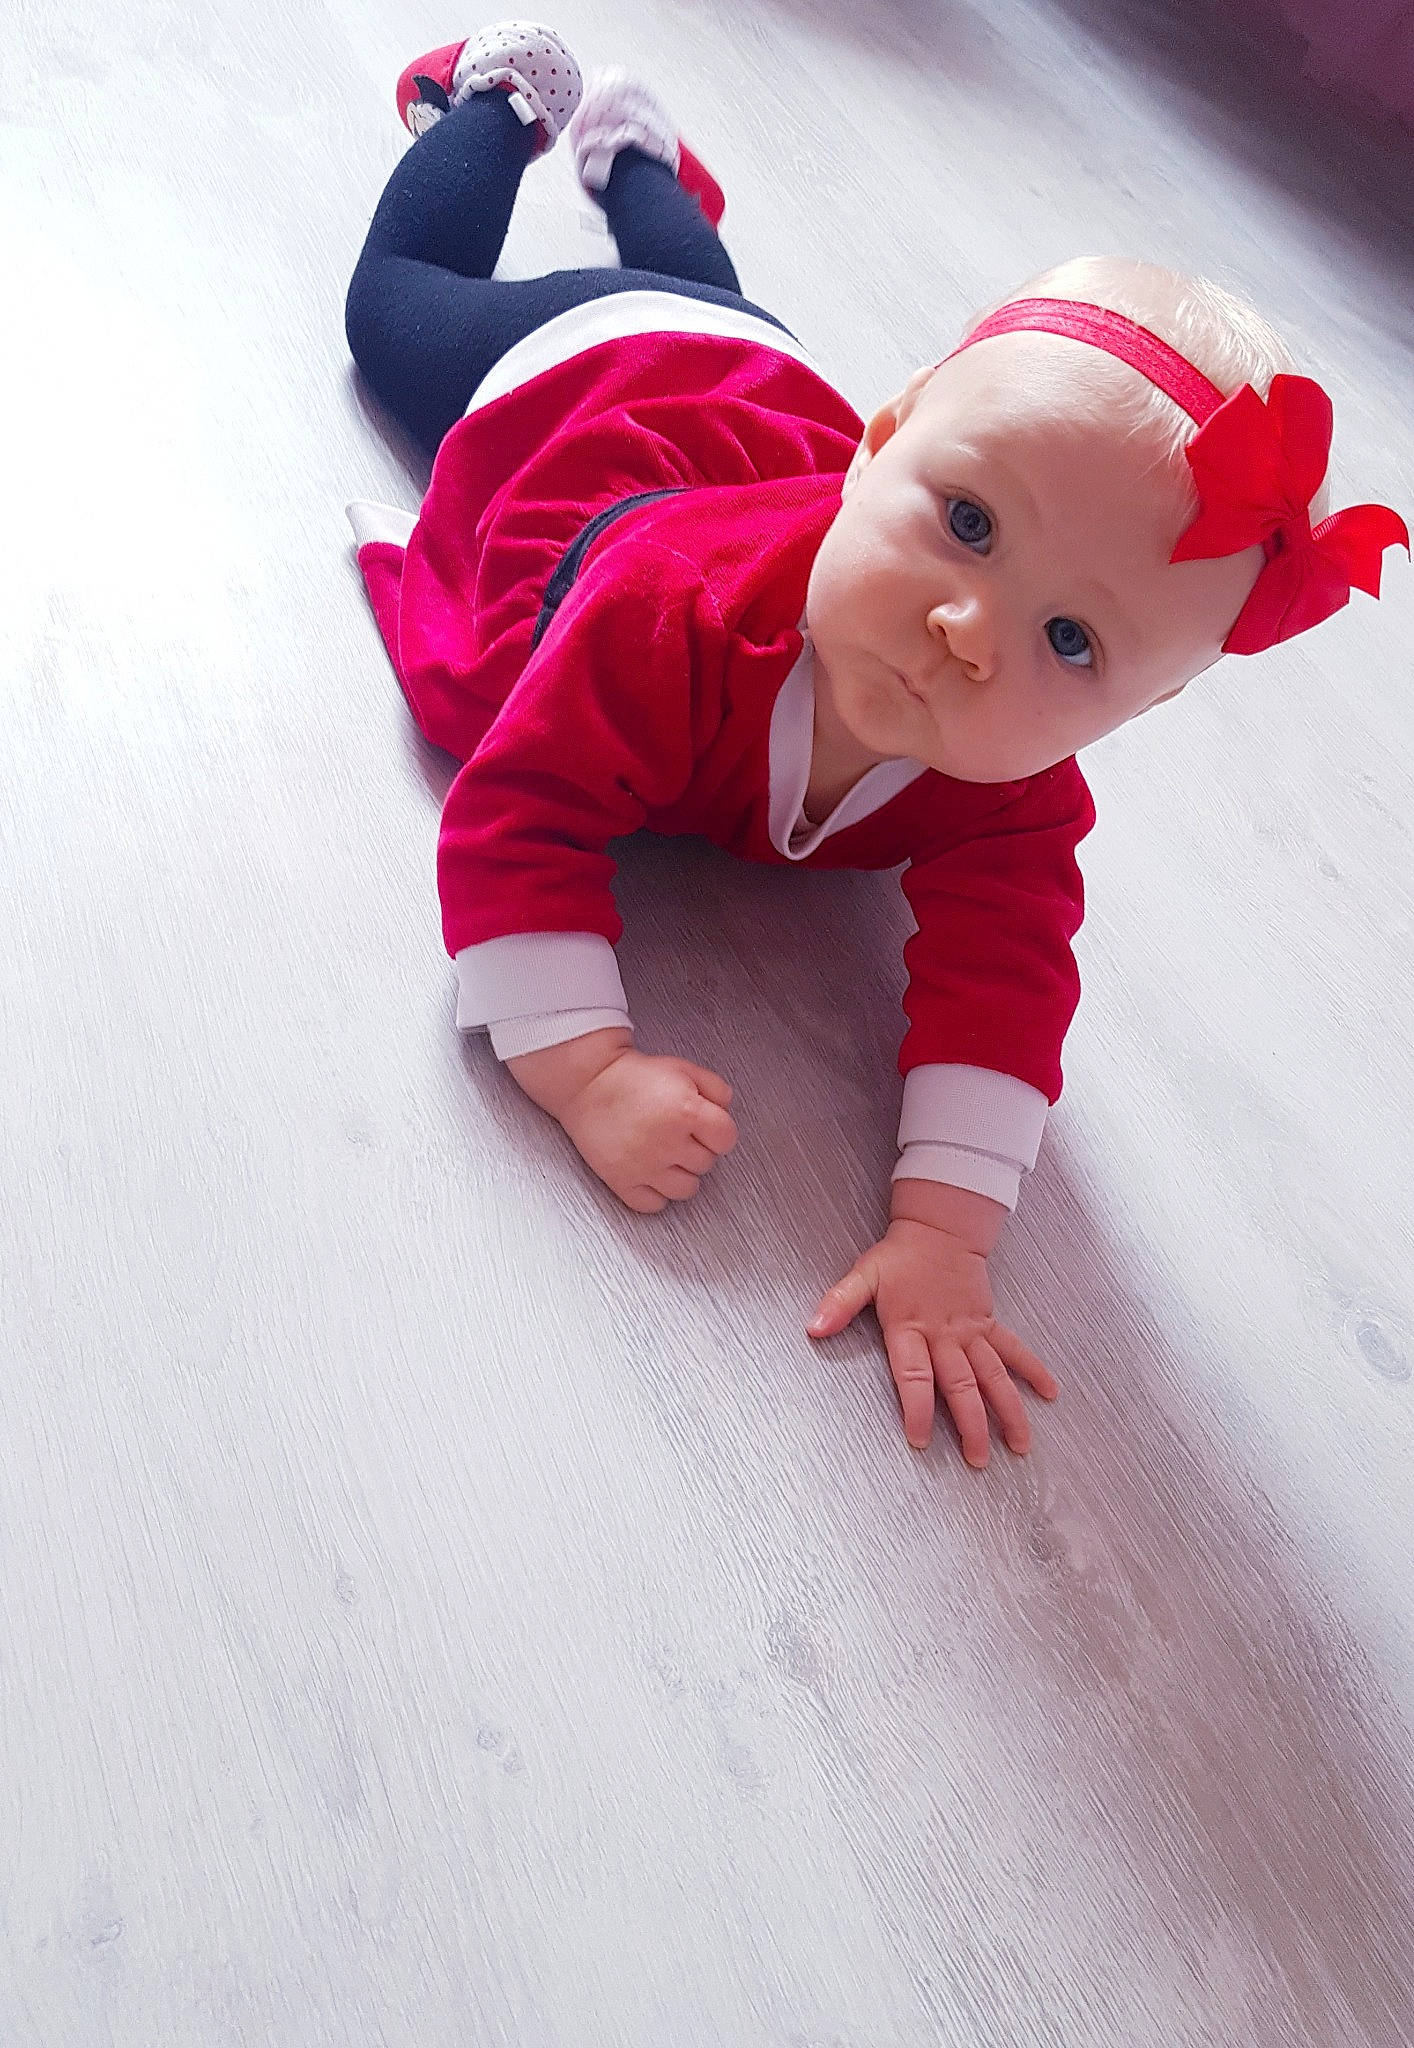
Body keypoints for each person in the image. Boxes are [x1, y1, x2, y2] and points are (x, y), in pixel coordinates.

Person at [343, 20, 1408, 1467]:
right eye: (966, 522)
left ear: (1135, 713)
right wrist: (583, 1066)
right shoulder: (665, 613)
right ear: (882, 439)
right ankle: (506, 105)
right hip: (596, 383)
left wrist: (946, 1235)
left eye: (1071, 642)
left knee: (714, 290)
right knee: (398, 311)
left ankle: (643, 164)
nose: (968, 630)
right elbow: (520, 809)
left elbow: (1007, 981)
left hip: (757, 373)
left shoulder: (1016, 794)